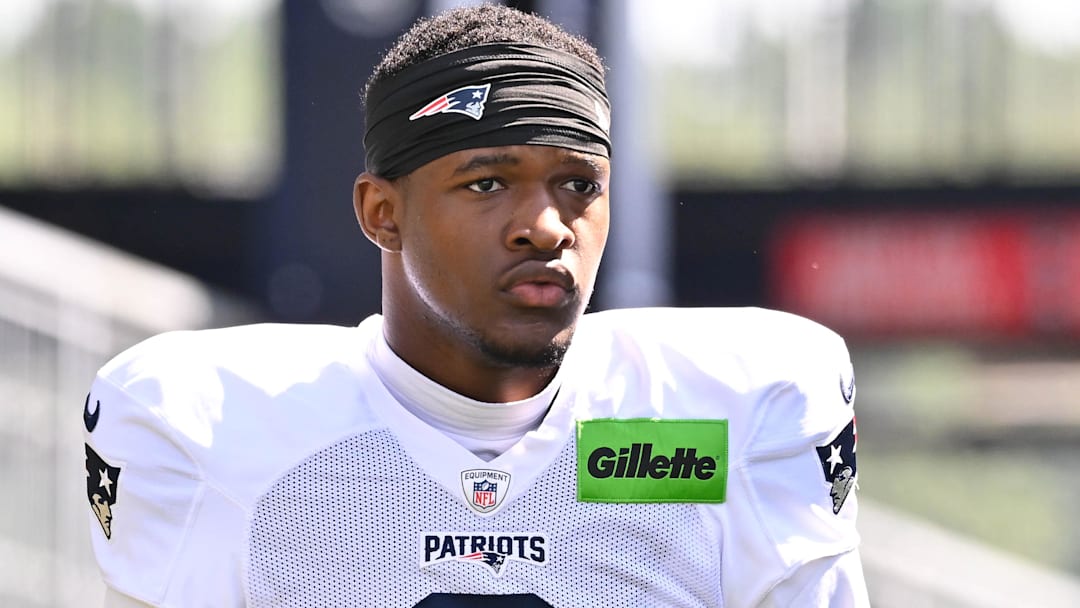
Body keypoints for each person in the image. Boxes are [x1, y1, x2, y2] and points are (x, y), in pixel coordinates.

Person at [82, 5, 869, 607]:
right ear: (382, 213)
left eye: (579, 184)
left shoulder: (727, 414)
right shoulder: (210, 427)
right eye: (487, 183)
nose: (546, 226)